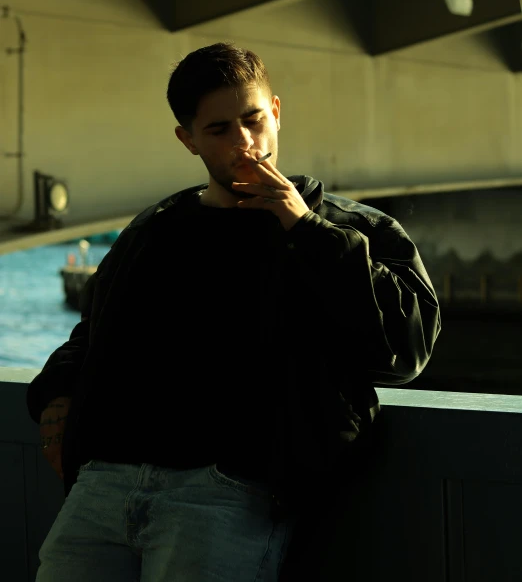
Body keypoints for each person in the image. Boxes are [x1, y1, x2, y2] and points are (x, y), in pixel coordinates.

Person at [26, 42, 441, 581]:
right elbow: (94, 332)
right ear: (188, 139)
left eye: (253, 119)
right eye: (219, 131)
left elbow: (405, 352)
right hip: (105, 484)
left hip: (231, 494)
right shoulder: (156, 230)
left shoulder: (355, 231)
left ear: (276, 110)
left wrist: (304, 226)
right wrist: (56, 395)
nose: (245, 144)